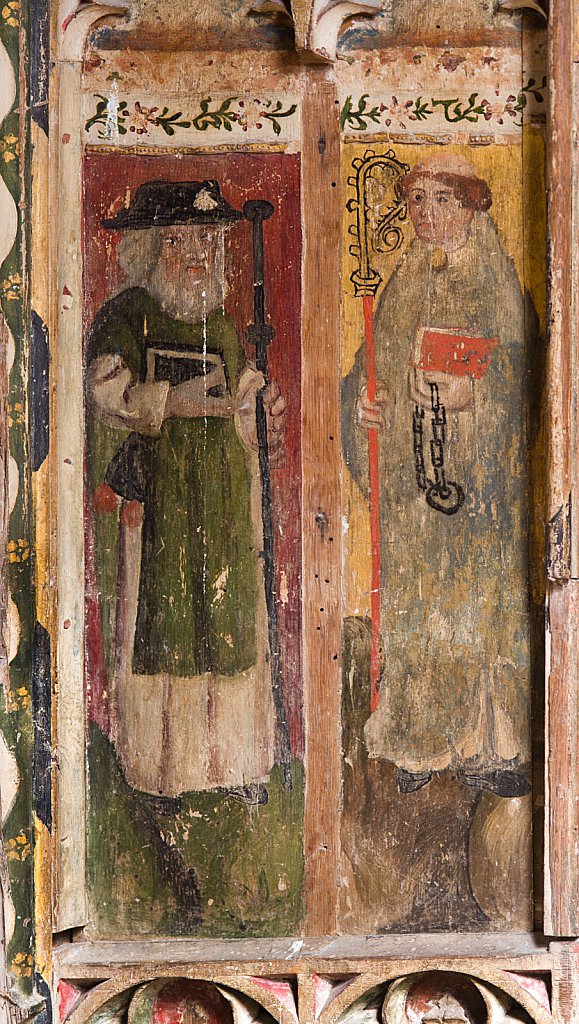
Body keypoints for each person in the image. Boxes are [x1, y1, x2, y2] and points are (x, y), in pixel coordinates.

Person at [342, 154, 538, 796]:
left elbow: (526, 376)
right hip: (416, 490)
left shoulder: (498, 283)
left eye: (442, 201)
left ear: (472, 208)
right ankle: (420, 742)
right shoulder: (402, 284)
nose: (426, 214)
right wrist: (360, 404)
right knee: (420, 609)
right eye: (417, 200)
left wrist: (474, 393)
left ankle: (494, 747)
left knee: (480, 609)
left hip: (480, 492)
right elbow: (367, 366)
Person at [86, 179, 284, 801]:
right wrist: (174, 402)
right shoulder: (128, 315)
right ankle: (160, 771)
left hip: (222, 499)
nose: (195, 252)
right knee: (163, 627)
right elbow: (103, 391)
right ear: (151, 248)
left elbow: (243, 404)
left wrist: (262, 414)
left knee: (228, 627)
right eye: (178, 239)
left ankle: (235, 767)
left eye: (205, 238)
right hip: (161, 500)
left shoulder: (222, 322)